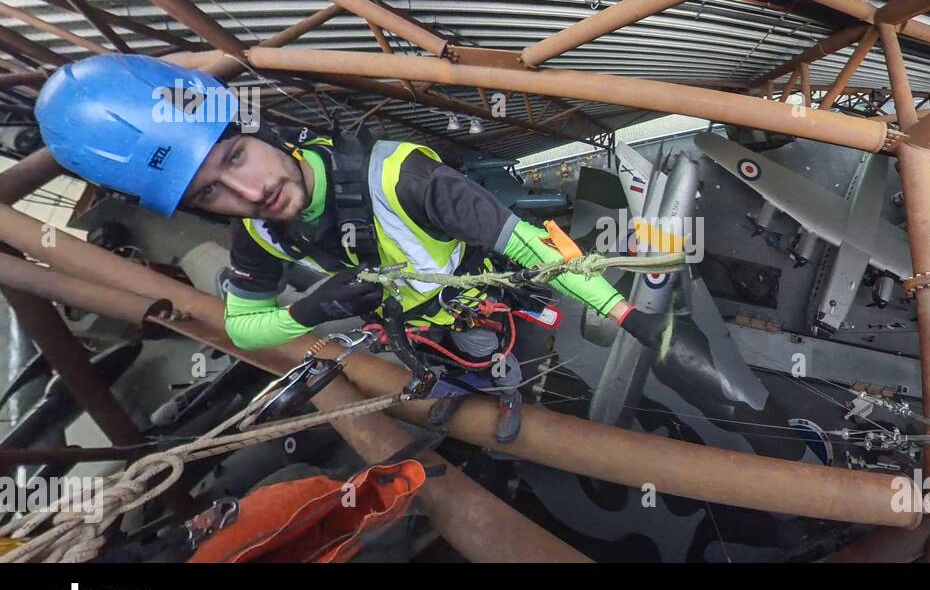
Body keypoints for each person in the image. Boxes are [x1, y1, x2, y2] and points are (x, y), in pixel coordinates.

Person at [35, 54, 667, 442]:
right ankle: (451, 385)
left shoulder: (402, 176)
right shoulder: (257, 232)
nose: (250, 191)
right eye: (212, 195)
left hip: (467, 301)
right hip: (402, 325)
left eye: (235, 156)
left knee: (484, 352)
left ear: (257, 126)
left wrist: (621, 312)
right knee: (440, 362)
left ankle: (506, 393)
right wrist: (309, 312)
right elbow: (243, 327)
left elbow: (532, 247)